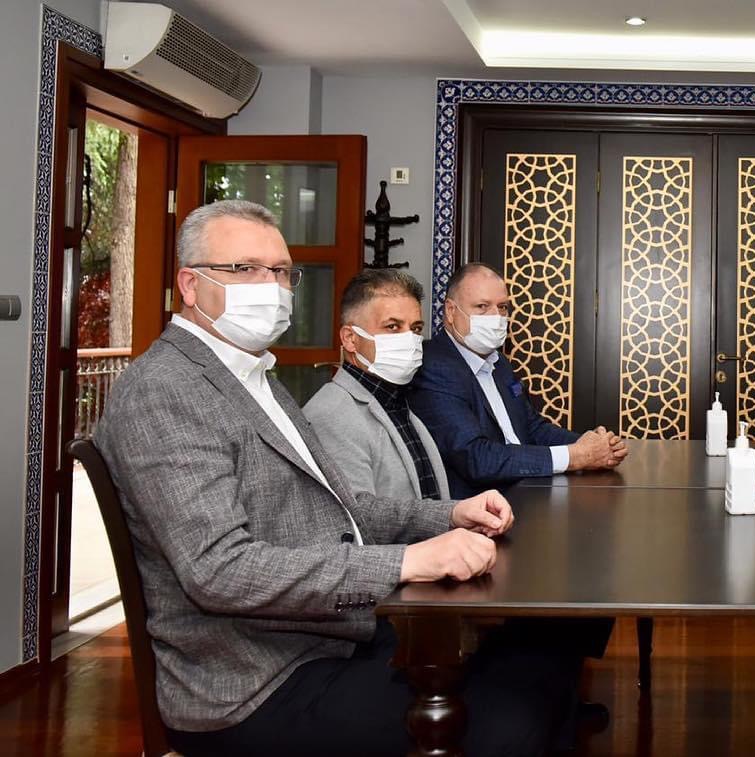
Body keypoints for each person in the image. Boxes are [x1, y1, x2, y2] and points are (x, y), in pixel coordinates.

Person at [94, 200, 576, 756]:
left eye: (281, 271)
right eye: (245, 269)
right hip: (258, 682)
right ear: (190, 284)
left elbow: (343, 506)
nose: (271, 286)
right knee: (516, 715)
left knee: (543, 657)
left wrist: (447, 514)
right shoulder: (165, 389)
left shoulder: (256, 378)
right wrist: (407, 561)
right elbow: (219, 571)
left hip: (329, 640)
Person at [410, 263, 627, 496]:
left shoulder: (499, 363)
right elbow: (476, 458)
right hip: (482, 505)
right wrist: (574, 456)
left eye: (502, 307)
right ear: (451, 311)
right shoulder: (433, 366)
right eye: (482, 307)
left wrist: (592, 445)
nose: (496, 317)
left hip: (527, 488)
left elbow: (532, 428)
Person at [304, 268, 449, 502]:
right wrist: (451, 513)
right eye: (392, 327)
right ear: (350, 339)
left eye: (415, 329)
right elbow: (358, 513)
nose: (409, 339)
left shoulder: (396, 400)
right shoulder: (331, 414)